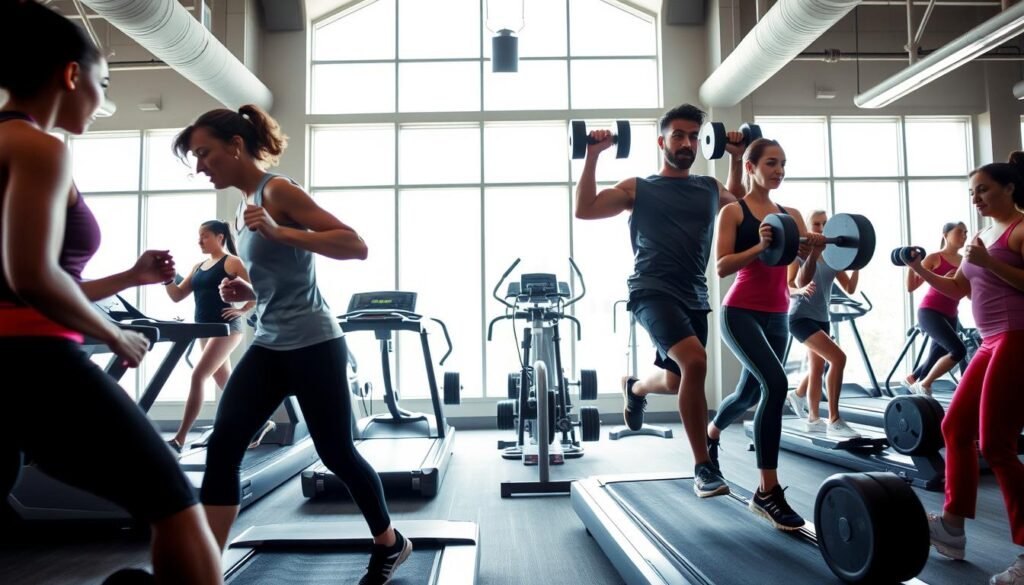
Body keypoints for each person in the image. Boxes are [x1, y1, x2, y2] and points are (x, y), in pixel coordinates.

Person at [0, 1, 222, 582]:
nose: (101, 103)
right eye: (101, 83)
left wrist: (128, 278)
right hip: (36, 367)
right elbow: (32, 277)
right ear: (70, 75)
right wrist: (115, 332)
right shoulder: (40, 148)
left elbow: (25, 281)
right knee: (175, 507)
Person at [173, 105, 409, 585]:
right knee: (223, 446)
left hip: (315, 345)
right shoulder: (239, 210)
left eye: (205, 154)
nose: (200, 166)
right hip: (270, 344)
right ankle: (205, 573)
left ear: (235, 146)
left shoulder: (277, 191)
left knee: (337, 453)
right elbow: (280, 279)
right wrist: (249, 297)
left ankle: (390, 542)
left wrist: (282, 231)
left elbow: (354, 243)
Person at [574, 104, 745, 498]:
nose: (685, 143)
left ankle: (635, 388)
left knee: (676, 379)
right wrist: (592, 155)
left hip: (694, 295)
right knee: (696, 362)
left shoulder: (707, 188)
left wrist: (735, 158)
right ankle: (704, 467)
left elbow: (737, 208)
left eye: (692, 137)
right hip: (651, 290)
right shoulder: (640, 187)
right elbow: (585, 209)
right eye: (678, 135)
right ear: (661, 141)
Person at [905, 155, 1024, 585]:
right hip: (990, 340)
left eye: (984, 190)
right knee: (955, 427)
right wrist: (919, 270)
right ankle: (952, 527)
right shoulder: (981, 234)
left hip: (1016, 337)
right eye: (971, 192)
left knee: (998, 446)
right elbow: (959, 287)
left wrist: (992, 264)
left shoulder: (1021, 229)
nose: (976, 198)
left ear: (1009, 188)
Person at [705, 138, 826, 531]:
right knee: (775, 384)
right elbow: (722, 267)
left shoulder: (790, 214)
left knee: (748, 393)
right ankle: (767, 492)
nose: (779, 170)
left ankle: (712, 431)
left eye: (783, 164)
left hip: (778, 314)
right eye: (771, 163)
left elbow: (798, 277)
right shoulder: (733, 212)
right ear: (752, 167)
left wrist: (813, 255)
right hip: (740, 313)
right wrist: (760, 245)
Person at [162, 220, 252, 452]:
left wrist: (242, 310)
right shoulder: (198, 266)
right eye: (199, 236)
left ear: (220, 237)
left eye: (204, 236)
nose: (199, 241)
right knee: (228, 385)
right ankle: (259, 423)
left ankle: (179, 439)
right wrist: (167, 278)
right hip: (205, 329)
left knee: (198, 376)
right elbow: (177, 295)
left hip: (227, 328)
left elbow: (259, 289)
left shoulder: (232, 262)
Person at [784, 210, 861, 439]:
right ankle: (835, 420)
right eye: (816, 224)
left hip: (821, 318)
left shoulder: (834, 258)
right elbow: (789, 285)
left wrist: (857, 264)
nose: (820, 227)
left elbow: (849, 288)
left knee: (818, 368)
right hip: (800, 317)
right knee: (838, 358)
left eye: (824, 223)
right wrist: (801, 289)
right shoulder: (800, 255)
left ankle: (812, 418)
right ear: (808, 227)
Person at [903, 221, 968, 395]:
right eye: (960, 232)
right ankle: (923, 384)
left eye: (966, 233)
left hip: (951, 314)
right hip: (930, 311)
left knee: (936, 356)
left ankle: (914, 379)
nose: (964, 235)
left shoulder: (965, 261)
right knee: (958, 350)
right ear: (945, 235)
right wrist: (911, 266)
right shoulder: (934, 257)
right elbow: (911, 287)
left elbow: (967, 291)